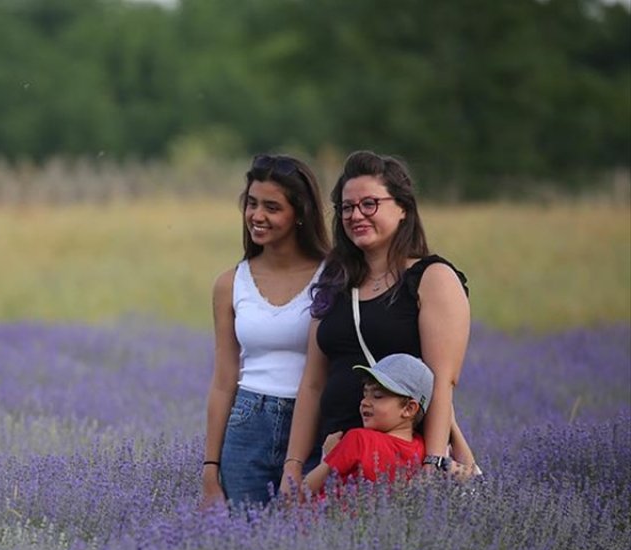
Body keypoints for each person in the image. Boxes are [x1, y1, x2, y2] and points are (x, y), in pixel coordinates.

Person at [281, 151, 476, 497]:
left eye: (369, 204)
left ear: (403, 208)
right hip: (336, 457)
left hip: (401, 462)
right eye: (347, 207)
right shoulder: (334, 282)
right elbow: (312, 383)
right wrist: (294, 466)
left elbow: (442, 382)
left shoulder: (433, 278)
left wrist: (430, 466)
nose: (356, 215)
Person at [201, 154, 330, 509]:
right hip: (247, 425)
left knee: (311, 540)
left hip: (315, 426)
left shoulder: (333, 277)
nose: (257, 216)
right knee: (245, 541)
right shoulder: (230, 283)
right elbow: (224, 381)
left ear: (300, 212)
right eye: (252, 204)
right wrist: (210, 469)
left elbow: (322, 375)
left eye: (272, 207)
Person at [301, 353, 430, 495]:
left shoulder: (358, 440)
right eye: (365, 394)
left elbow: (306, 488)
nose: (364, 402)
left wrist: (330, 455)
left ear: (409, 408)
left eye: (377, 396)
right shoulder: (423, 448)